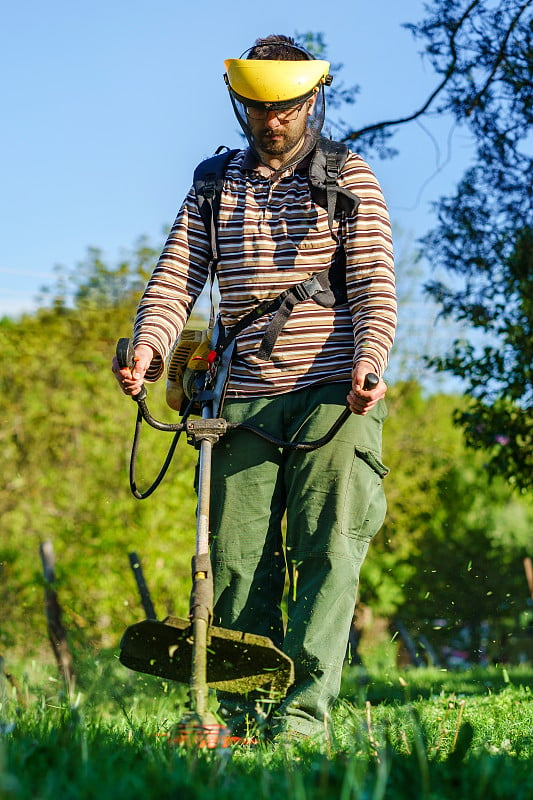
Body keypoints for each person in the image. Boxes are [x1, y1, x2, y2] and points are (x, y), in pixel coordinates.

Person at [112, 34, 396, 742]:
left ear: (311, 101)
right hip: (236, 394)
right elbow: (177, 276)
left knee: (327, 548)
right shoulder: (214, 182)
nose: (272, 121)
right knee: (235, 562)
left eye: (287, 107)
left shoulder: (346, 175)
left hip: (333, 390)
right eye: (257, 107)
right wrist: (147, 347)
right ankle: (238, 714)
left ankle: (301, 718)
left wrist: (369, 362)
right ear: (237, 100)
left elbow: (372, 284)